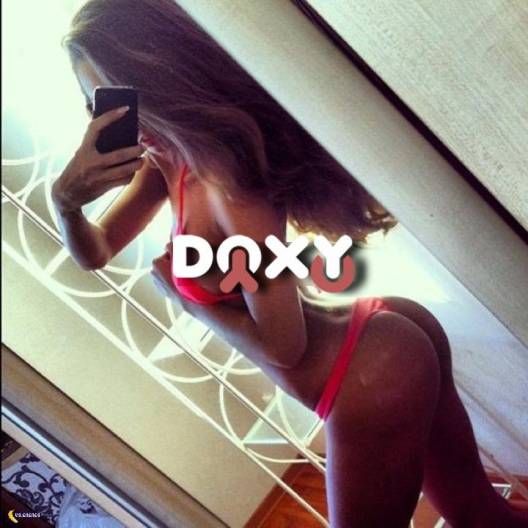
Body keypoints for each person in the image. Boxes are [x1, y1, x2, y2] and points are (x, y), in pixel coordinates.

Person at [51, 1, 527, 526]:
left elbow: (285, 345)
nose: (108, 123)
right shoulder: (171, 163)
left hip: (368, 375)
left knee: (474, 513)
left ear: (160, 77)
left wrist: (192, 306)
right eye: (96, 106)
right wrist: (65, 201)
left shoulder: (228, 184)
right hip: (377, 344)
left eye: (118, 100)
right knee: (480, 514)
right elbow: (96, 251)